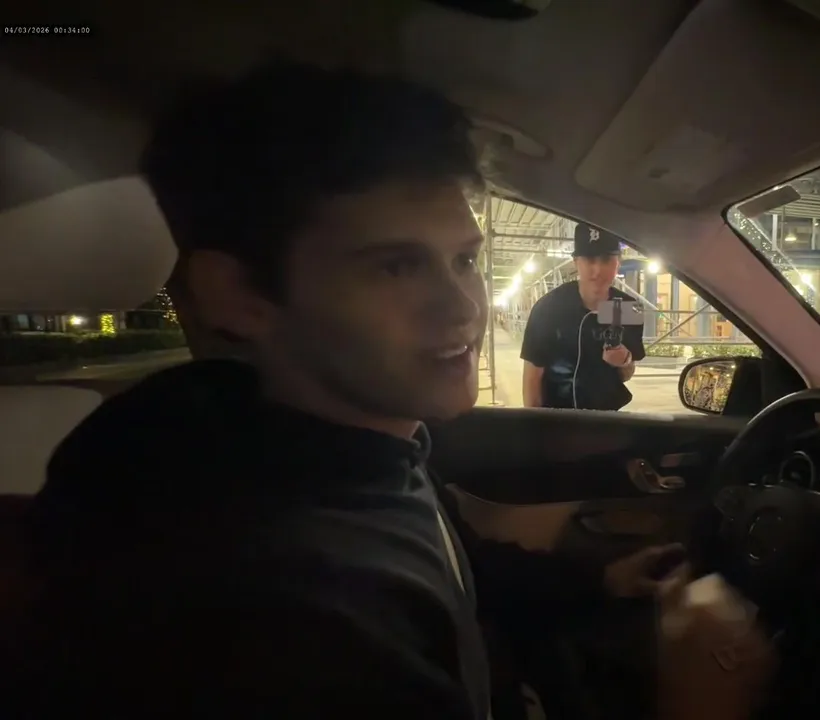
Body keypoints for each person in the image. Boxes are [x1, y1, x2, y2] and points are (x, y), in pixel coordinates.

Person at [11, 62, 771, 718]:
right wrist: (702, 699)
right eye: (395, 267)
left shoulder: (323, 441)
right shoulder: (274, 612)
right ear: (238, 295)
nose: (462, 309)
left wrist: (597, 578)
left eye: (464, 260)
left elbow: (451, 565)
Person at [520, 224, 646, 409]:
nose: (597, 270)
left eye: (606, 259)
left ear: (618, 261)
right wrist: (536, 424)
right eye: (589, 259)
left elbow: (626, 375)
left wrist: (624, 360)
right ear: (576, 262)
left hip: (607, 417)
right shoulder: (550, 308)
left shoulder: (628, 308)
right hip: (557, 417)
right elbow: (532, 379)